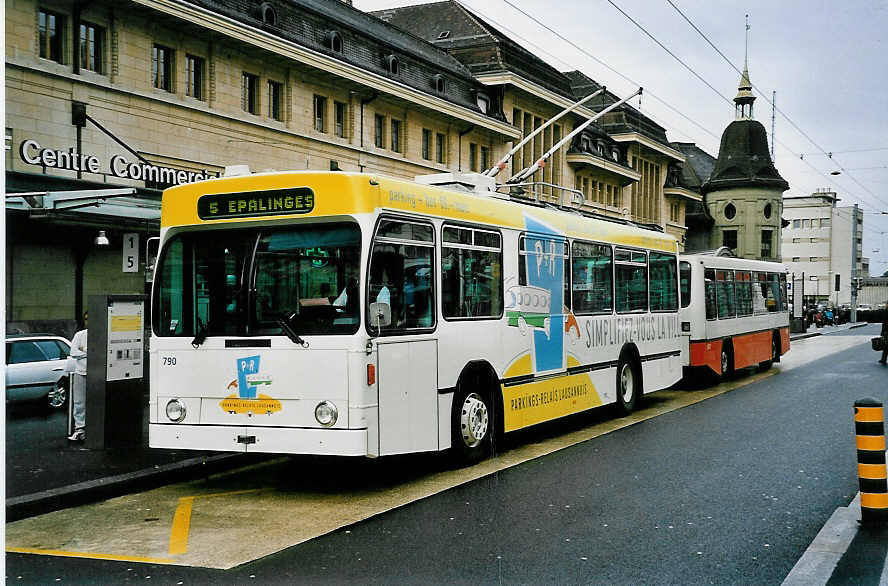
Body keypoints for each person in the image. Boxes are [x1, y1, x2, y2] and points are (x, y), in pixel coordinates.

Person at [68, 312, 88, 441]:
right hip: (81, 371)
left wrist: (84, 350)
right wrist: (89, 351)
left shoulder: (101, 334)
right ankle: (79, 428)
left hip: (96, 373)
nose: (88, 321)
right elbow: (73, 352)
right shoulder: (80, 335)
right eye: (86, 319)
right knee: (79, 401)